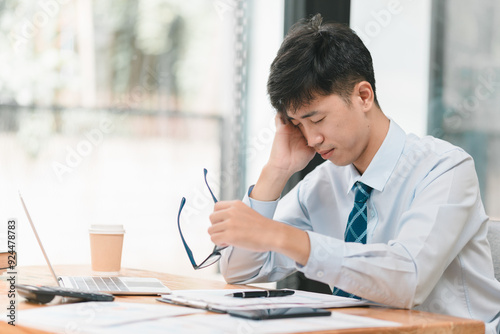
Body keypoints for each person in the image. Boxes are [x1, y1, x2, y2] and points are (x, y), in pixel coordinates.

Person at [208, 14, 500, 333]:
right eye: (298, 125)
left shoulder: (445, 169)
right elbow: (242, 272)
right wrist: (276, 171)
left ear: (363, 96)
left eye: (316, 120)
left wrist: (280, 236)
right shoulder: (323, 184)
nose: (310, 139)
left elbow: (407, 280)